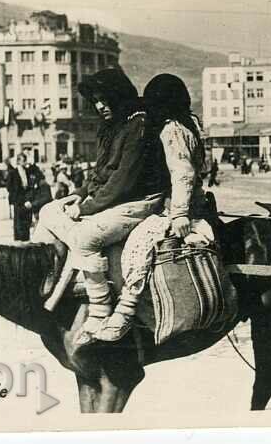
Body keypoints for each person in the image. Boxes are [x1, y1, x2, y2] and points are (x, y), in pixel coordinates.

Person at [31, 68, 167, 344]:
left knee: (85, 236)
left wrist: (86, 208)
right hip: (112, 200)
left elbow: (123, 181)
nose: (100, 106)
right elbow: (100, 173)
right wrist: (79, 194)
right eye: (95, 101)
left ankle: (102, 308)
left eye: (105, 99)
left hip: (138, 202)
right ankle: (52, 279)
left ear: (119, 96)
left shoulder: (138, 125)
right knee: (47, 211)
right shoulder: (113, 126)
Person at [100, 73, 214, 341]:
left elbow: (183, 173)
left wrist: (180, 213)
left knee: (140, 244)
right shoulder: (184, 125)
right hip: (174, 203)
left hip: (180, 208)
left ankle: (126, 311)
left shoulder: (173, 129)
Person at [7, 153, 42, 241]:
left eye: (25, 160)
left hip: (27, 198)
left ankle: (26, 237)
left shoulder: (28, 171)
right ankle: (18, 238)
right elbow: (9, 186)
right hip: (18, 199)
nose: (25, 162)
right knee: (18, 219)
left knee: (27, 218)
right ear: (18, 161)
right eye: (23, 160)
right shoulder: (13, 172)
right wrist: (14, 196)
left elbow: (37, 173)